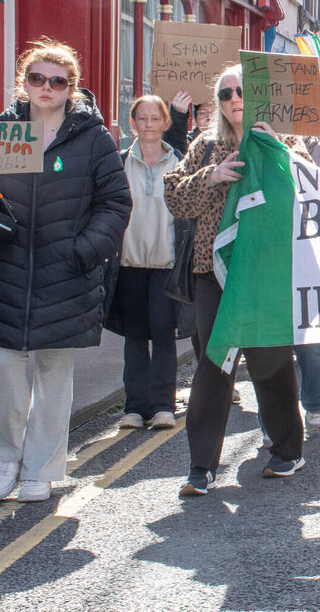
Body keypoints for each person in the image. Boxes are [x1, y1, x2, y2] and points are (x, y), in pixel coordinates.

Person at [0, 38, 131, 503]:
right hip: (6, 272)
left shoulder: (94, 139)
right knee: (3, 366)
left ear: (70, 87)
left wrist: (84, 251)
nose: (46, 87)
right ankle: (6, 457)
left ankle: (41, 468)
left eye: (57, 80)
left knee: (54, 372)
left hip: (66, 274)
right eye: (37, 79)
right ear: (24, 83)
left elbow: (115, 202)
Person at [163, 64, 309, 497]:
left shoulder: (285, 143)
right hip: (214, 272)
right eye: (225, 94)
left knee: (270, 362)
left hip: (267, 272)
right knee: (213, 363)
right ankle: (201, 467)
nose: (233, 100)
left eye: (241, 91)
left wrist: (274, 150)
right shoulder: (204, 147)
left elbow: (309, 194)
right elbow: (173, 196)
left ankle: (287, 450)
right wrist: (210, 178)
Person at [113, 95, 182, 431]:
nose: (149, 125)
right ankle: (135, 407)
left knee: (164, 336)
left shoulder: (179, 163)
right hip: (130, 263)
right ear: (133, 123)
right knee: (135, 337)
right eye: (143, 118)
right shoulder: (119, 163)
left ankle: (163, 406)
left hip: (166, 264)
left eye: (156, 118)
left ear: (165, 123)